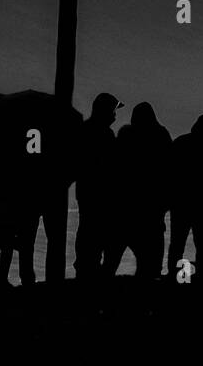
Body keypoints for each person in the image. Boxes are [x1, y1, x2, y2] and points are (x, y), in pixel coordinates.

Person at [105, 102, 172, 279]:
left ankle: (101, 298)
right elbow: (168, 173)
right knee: (150, 264)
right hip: (149, 213)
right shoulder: (161, 137)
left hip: (124, 211)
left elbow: (114, 171)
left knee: (112, 260)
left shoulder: (126, 136)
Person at [168, 114, 203, 279]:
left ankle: (179, 278)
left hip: (181, 204)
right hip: (201, 204)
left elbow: (168, 172)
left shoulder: (180, 143)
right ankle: (201, 278)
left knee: (178, 244)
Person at [73, 93, 122, 281]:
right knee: (93, 237)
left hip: (91, 195)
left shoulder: (87, 131)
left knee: (90, 235)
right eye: (113, 110)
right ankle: (88, 279)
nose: (115, 115)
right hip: (97, 197)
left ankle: (87, 275)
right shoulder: (100, 134)